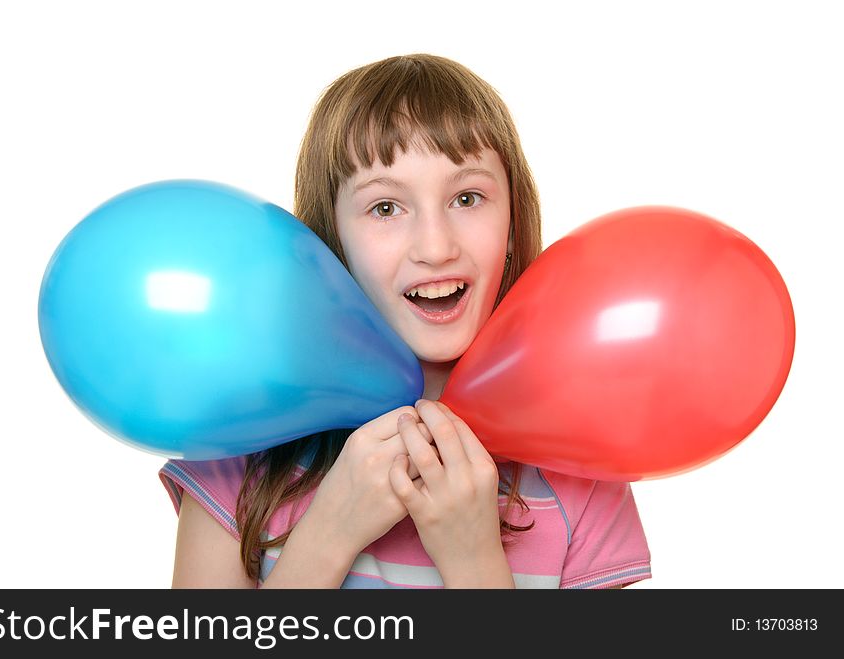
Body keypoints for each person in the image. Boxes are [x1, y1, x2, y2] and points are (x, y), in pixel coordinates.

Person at [160, 53, 651, 589]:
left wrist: (472, 559)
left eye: (467, 198)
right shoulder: (241, 451)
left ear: (512, 224)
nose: (435, 248)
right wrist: (331, 532)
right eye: (386, 208)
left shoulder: (581, 475)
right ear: (329, 242)